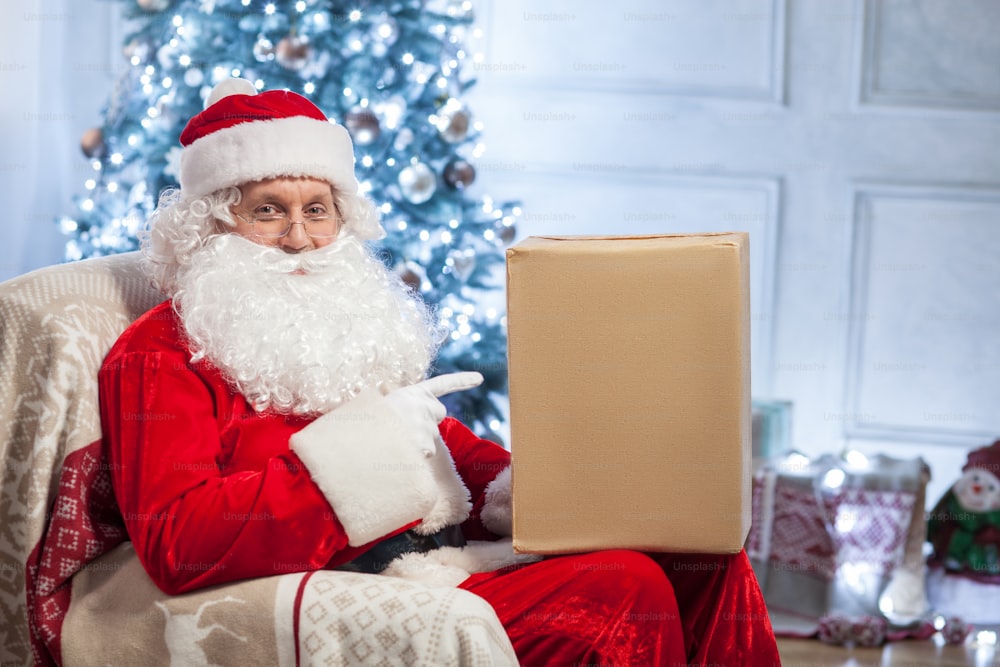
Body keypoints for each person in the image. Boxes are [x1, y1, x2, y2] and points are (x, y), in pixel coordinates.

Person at [99, 77, 780, 666]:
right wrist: (355, 464)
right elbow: (179, 540)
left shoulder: (334, 313)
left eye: (317, 210)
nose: (300, 238)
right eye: (267, 211)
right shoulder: (159, 355)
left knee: (702, 558)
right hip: (357, 588)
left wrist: (543, 490)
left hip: (442, 554)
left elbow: (426, 440)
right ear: (212, 226)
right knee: (622, 589)